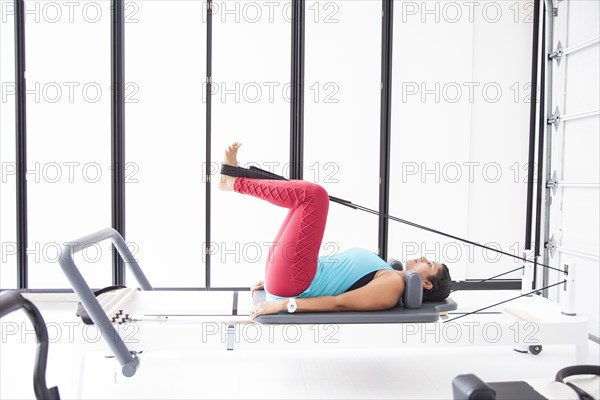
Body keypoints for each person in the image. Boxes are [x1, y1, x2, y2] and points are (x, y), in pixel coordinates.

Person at [218, 142, 451, 319]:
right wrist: (273, 281)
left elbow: (340, 302)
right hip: (290, 275)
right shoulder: (389, 270)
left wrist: (284, 303)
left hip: (293, 281)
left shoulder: (393, 285)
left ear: (427, 284)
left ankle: (235, 181)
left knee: (315, 196)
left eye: (429, 264)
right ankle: (236, 178)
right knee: (305, 200)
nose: (423, 258)